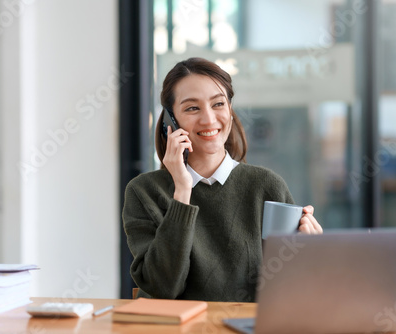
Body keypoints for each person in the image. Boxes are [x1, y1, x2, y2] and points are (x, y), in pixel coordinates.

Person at [122, 57, 322, 302]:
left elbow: (286, 293)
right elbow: (163, 288)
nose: (208, 119)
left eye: (218, 104)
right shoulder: (144, 192)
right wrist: (182, 194)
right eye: (192, 108)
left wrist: (307, 254)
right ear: (170, 123)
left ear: (229, 109)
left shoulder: (266, 186)